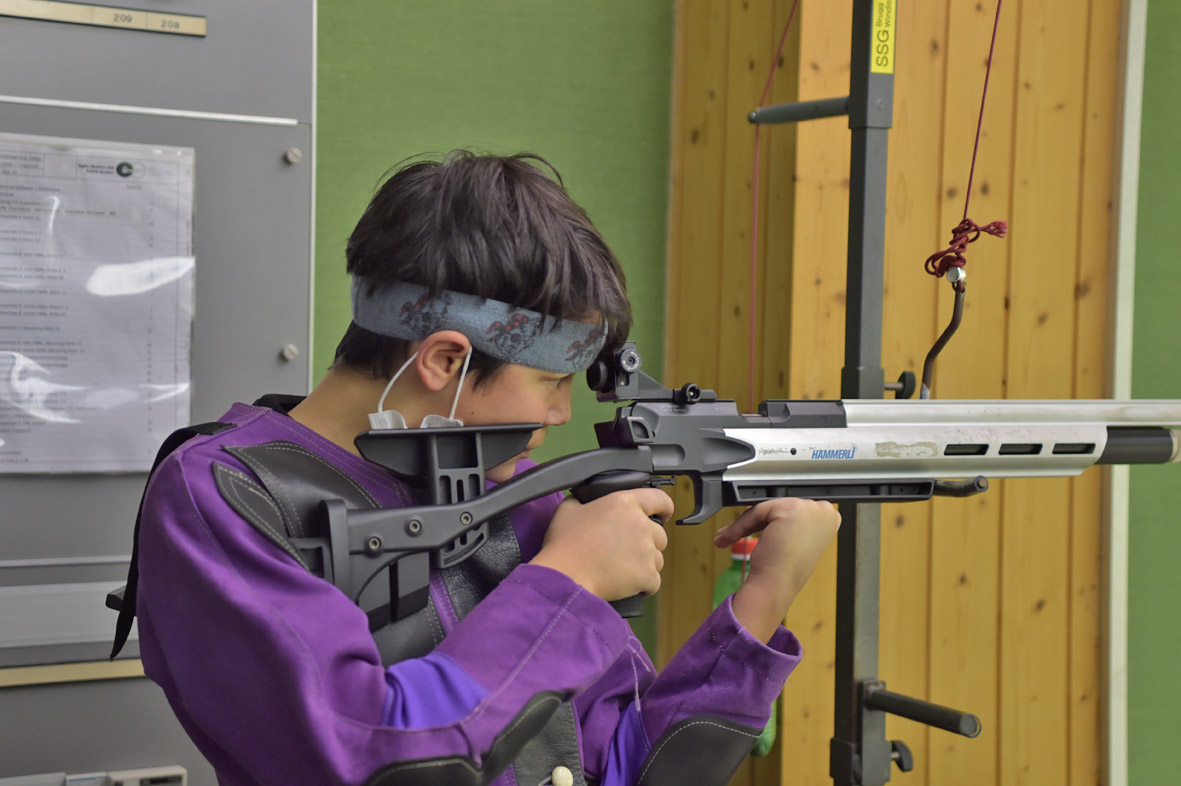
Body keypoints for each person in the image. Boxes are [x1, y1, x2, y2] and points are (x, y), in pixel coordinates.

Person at [127, 151, 841, 786]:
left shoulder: (517, 502)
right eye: (552, 382)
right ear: (444, 359)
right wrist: (569, 581)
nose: (560, 414)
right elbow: (367, 760)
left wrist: (764, 595)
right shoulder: (227, 496)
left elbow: (636, 768)